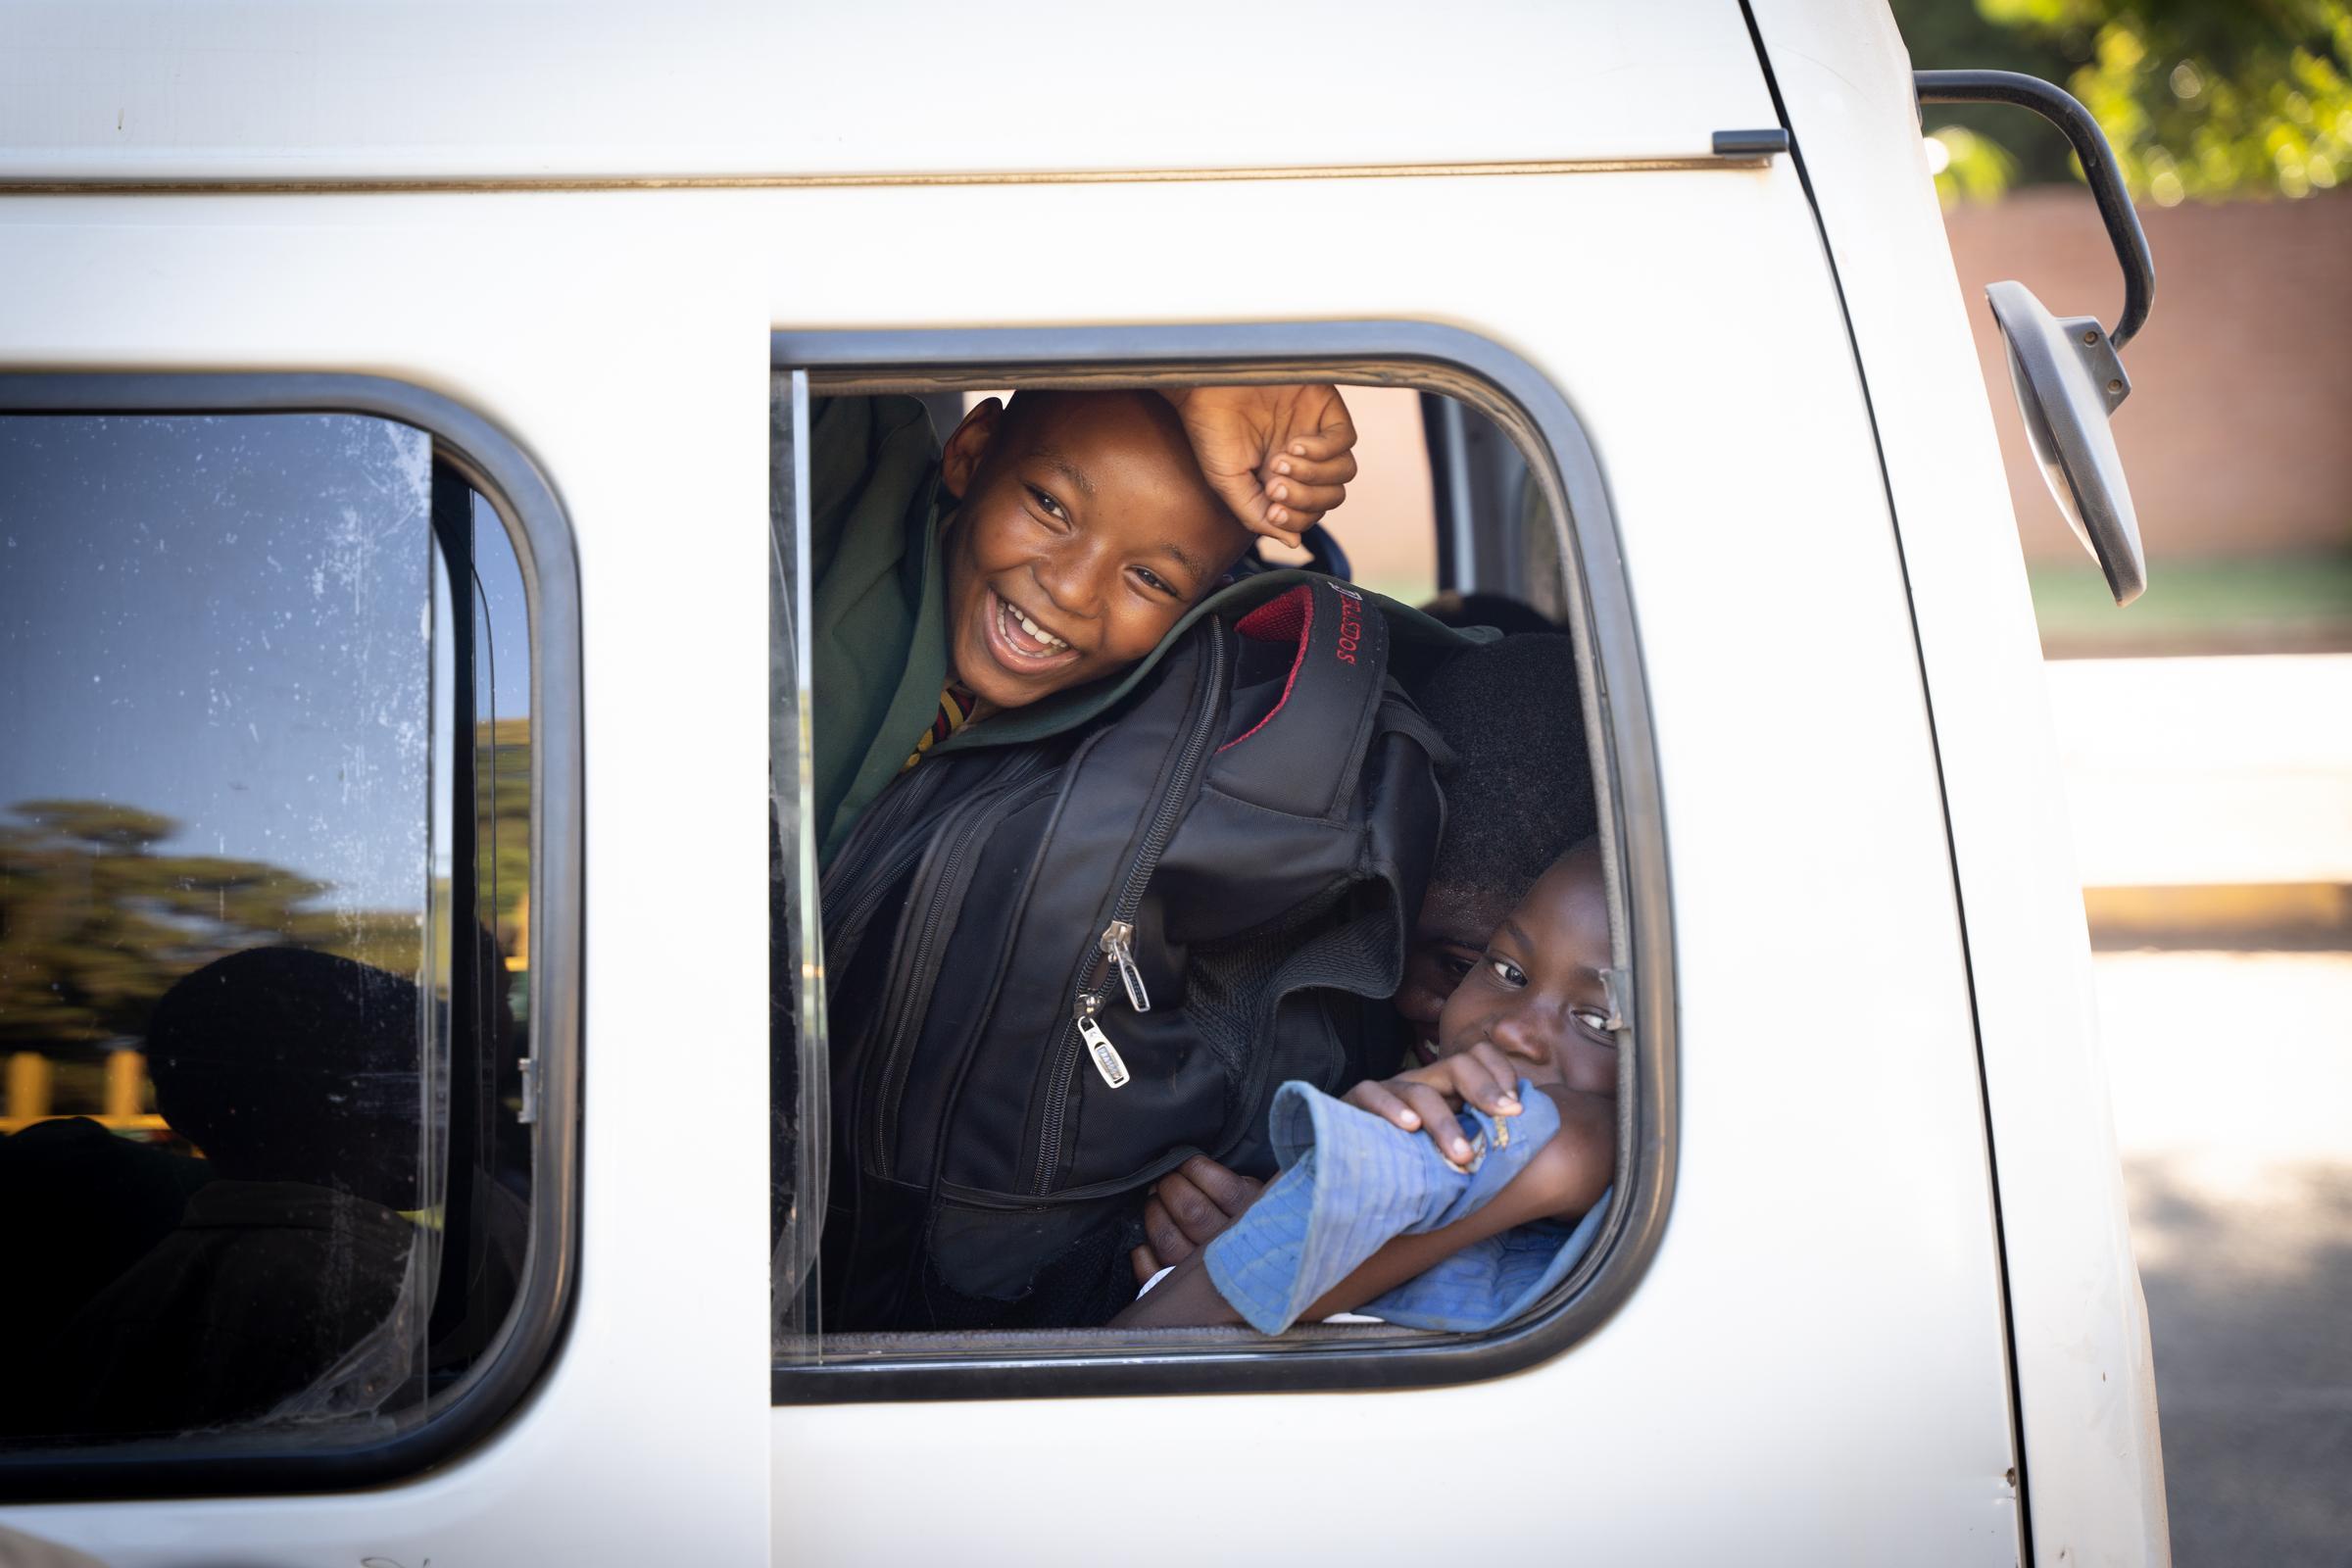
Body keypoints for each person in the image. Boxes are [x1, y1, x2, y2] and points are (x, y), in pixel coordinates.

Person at [792, 383, 1360, 863]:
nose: (1071, 589)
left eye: (1151, 580)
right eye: (1049, 506)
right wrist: (1192, 370)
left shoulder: (1160, 738)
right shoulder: (834, 484)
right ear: (973, 450)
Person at [1112, 841, 1617, 1331]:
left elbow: (1562, 1147)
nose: (1511, 1030)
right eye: (1508, 970)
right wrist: (1294, 1217)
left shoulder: (1584, 1148)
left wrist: (1272, 1239)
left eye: (1598, 1022)